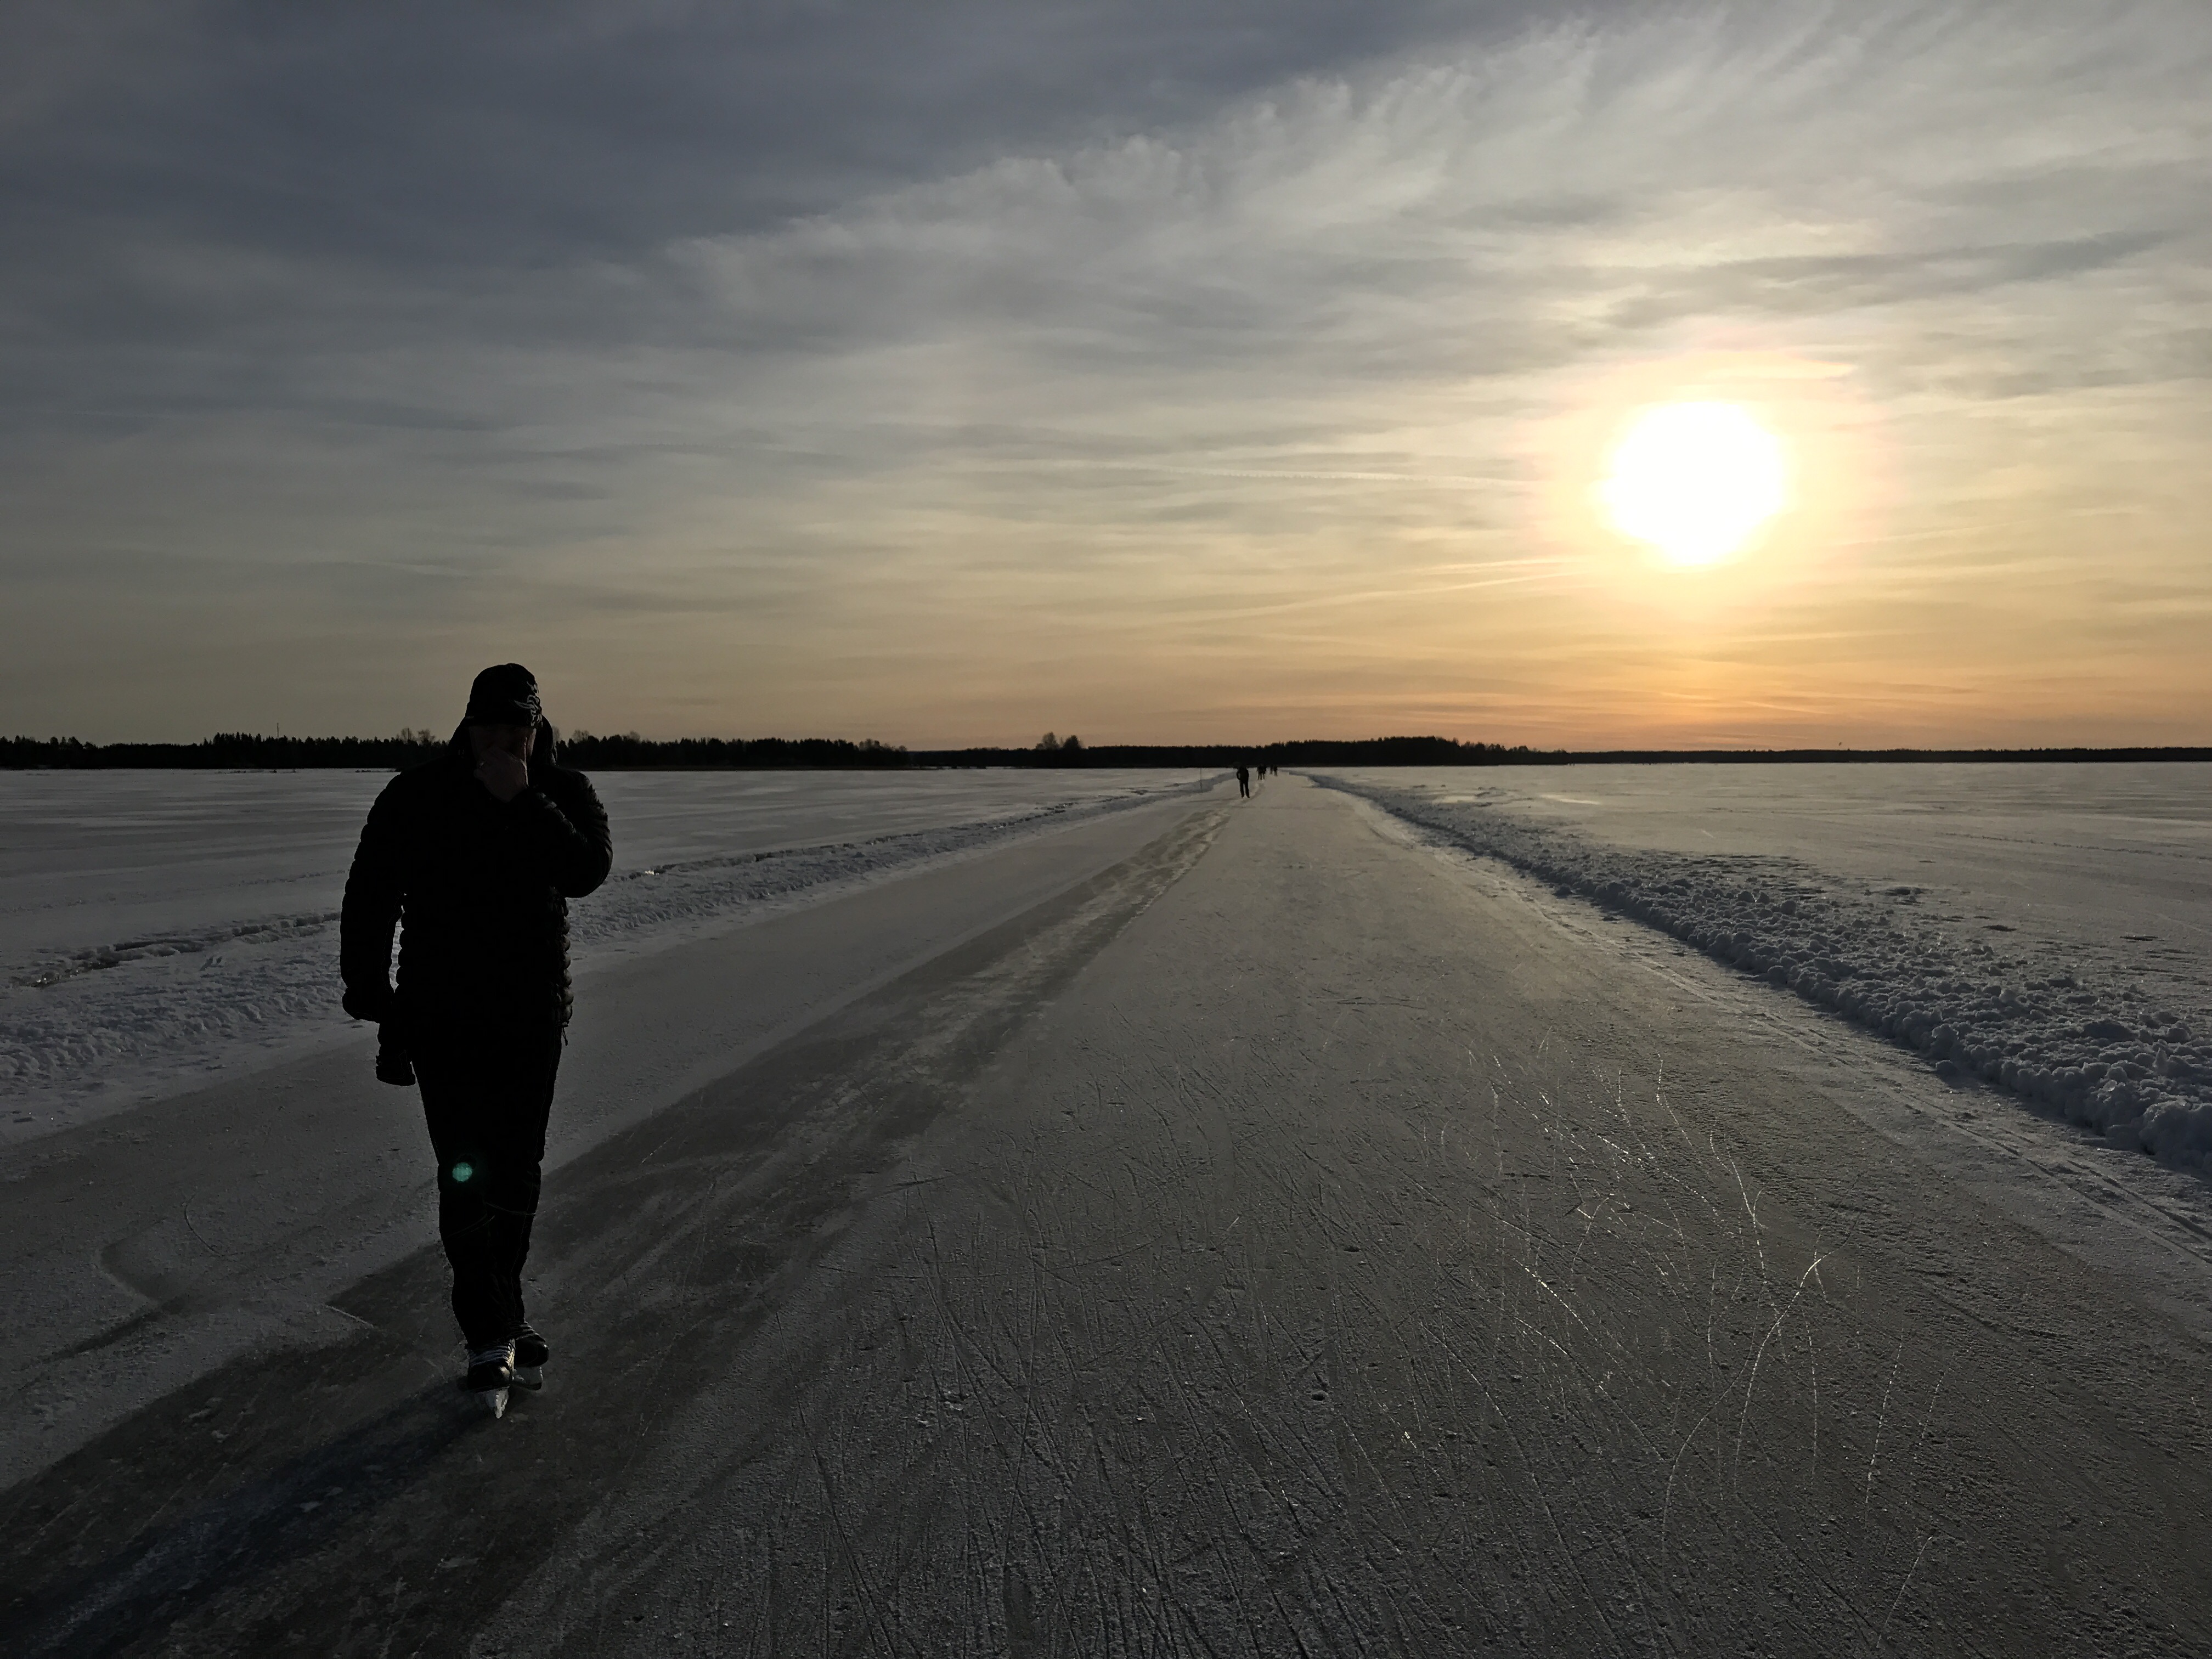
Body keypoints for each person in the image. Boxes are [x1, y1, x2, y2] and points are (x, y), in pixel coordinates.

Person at [340, 664, 613, 1417]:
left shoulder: (562, 792)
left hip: (531, 1017)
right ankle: (489, 1332)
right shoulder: (417, 795)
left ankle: (504, 1314)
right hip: (443, 1018)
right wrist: (370, 988)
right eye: (489, 727)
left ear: (536, 730)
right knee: (464, 1169)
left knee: (517, 1170)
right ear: (467, 727)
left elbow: (586, 871)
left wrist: (524, 801)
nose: (502, 740)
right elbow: (371, 893)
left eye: (516, 728)